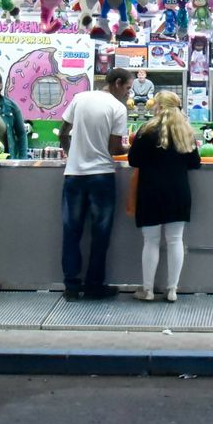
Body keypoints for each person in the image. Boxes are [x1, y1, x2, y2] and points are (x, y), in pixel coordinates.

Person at [61, 67, 131, 299]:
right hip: (101, 176)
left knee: (71, 232)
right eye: (128, 88)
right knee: (100, 235)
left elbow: (63, 132)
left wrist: (72, 155)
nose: (128, 93)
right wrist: (132, 147)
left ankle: (71, 287)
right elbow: (115, 148)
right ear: (117, 83)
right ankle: (93, 285)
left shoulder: (80, 98)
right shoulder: (117, 108)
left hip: (73, 176)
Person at [128, 91, 201, 302]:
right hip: (178, 191)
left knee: (150, 241)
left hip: (150, 191)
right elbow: (195, 163)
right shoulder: (185, 131)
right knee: (175, 240)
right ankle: (172, 290)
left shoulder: (146, 130)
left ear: (159, 106)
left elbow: (133, 160)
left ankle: (148, 290)